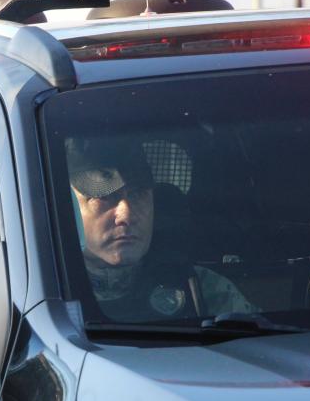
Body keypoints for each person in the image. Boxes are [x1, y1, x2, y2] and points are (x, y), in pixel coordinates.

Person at [67, 138, 255, 322]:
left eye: (138, 194)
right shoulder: (47, 293)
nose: (126, 215)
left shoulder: (204, 289)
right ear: (67, 207)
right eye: (103, 197)